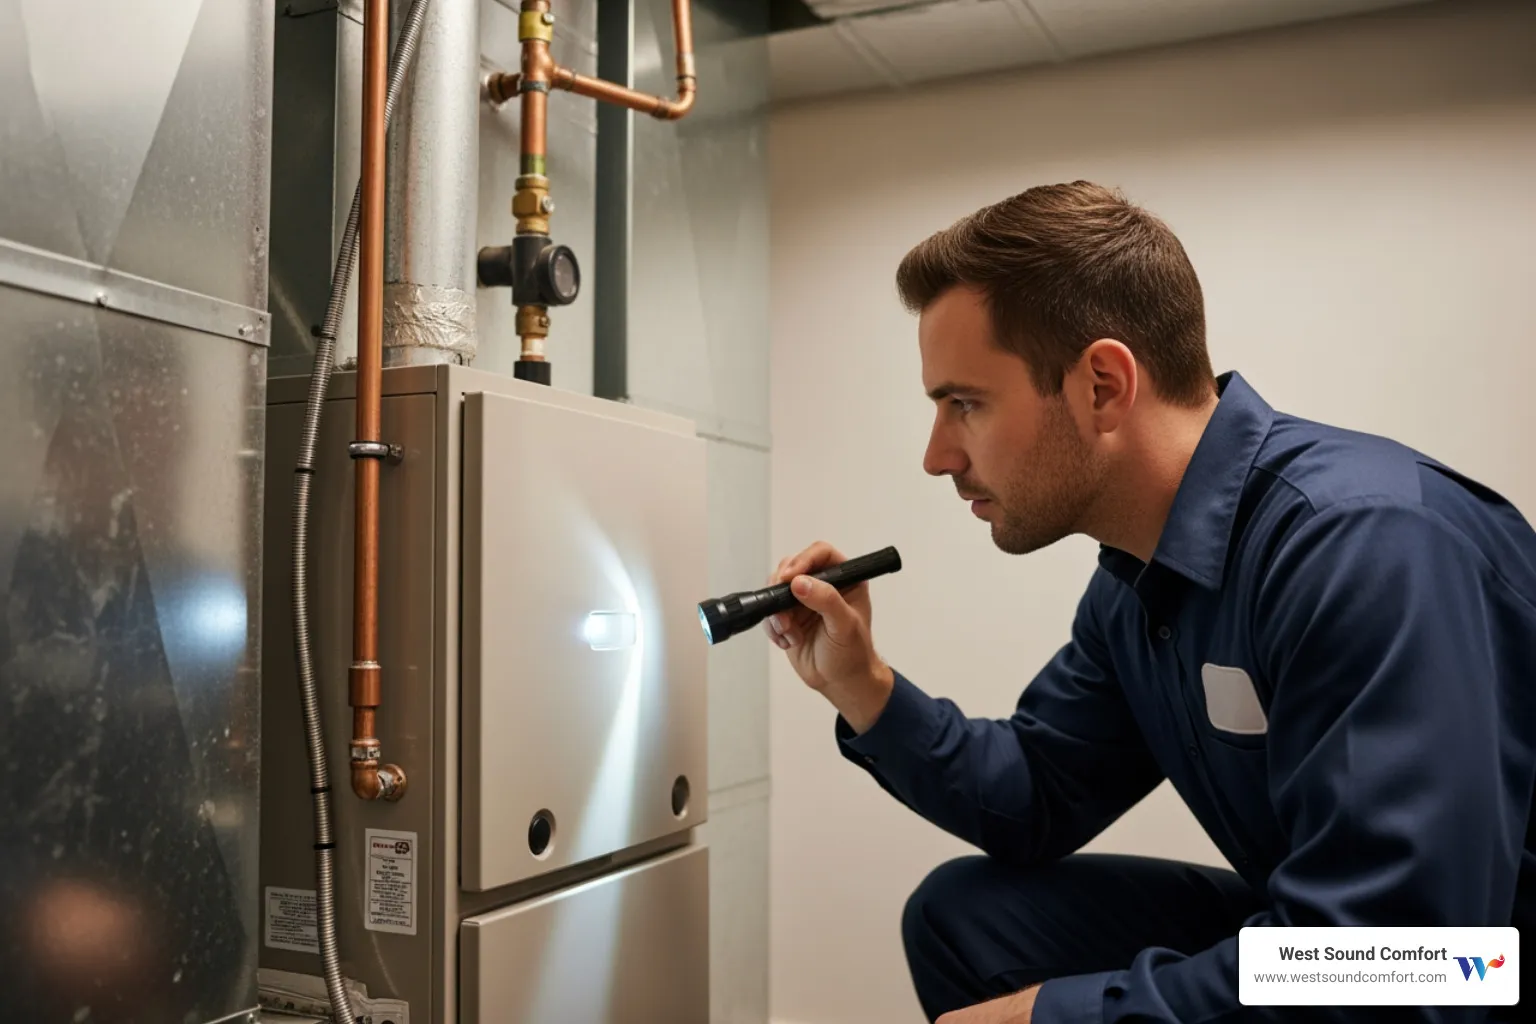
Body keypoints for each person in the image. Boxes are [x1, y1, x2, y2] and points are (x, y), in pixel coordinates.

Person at [765, 181, 1535, 1024]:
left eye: (965, 404)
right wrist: (861, 684)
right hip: (1387, 949)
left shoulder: (1361, 547)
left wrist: (1054, 1018)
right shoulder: (1137, 584)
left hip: (1464, 969)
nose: (938, 455)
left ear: (1101, 384)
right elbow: (1037, 796)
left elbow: (1411, 957)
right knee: (969, 919)